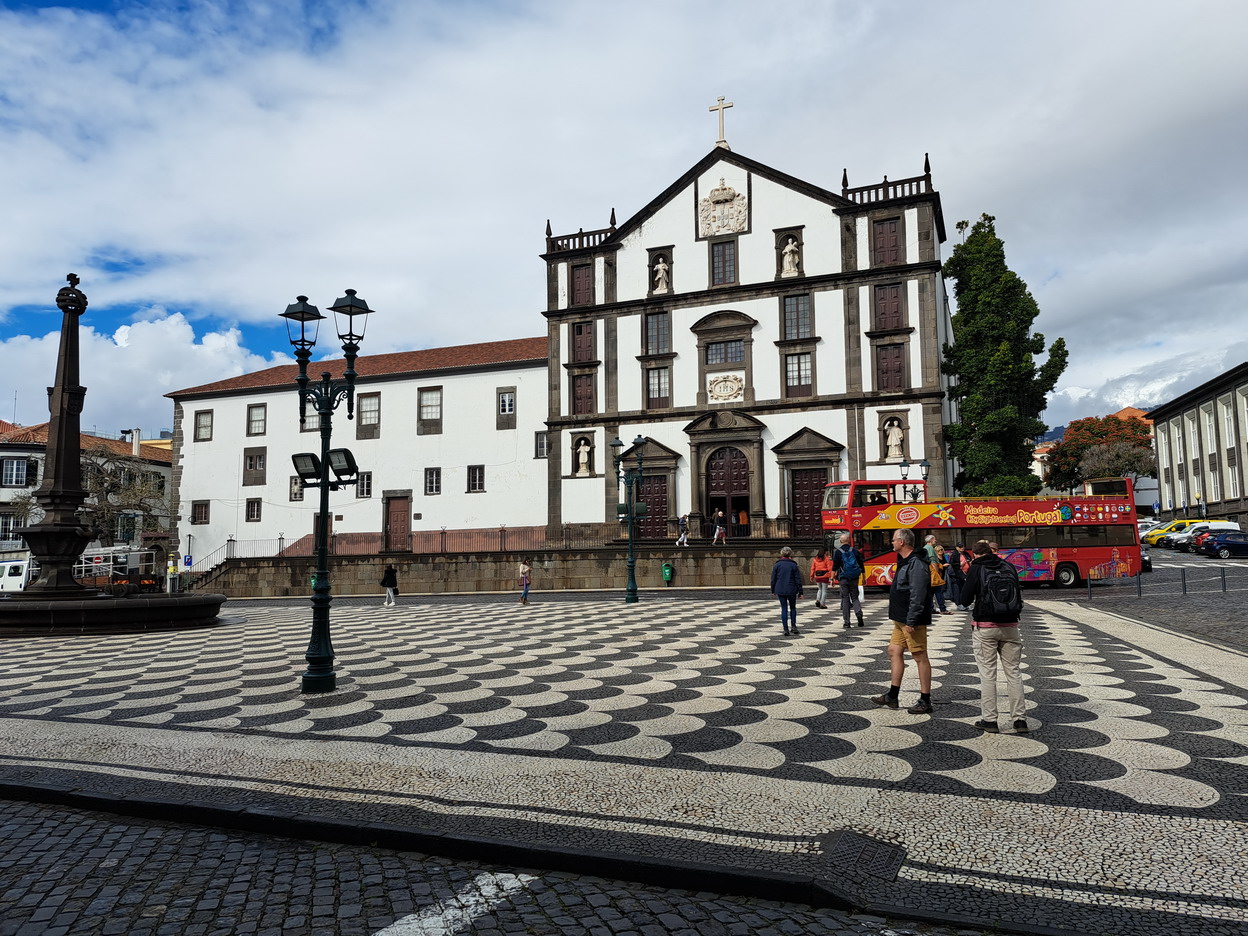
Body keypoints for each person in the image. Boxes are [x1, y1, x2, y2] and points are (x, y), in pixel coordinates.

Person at [959, 540, 1027, 733]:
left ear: (975, 554)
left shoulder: (976, 568)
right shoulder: (1009, 566)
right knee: (1014, 672)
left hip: (985, 626)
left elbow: (964, 599)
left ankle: (990, 720)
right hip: (1011, 625)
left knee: (988, 674)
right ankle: (1020, 720)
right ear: (991, 551)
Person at [872, 528, 933, 715]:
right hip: (900, 618)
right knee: (894, 650)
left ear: (902, 542)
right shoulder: (905, 560)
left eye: (893, 539)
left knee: (919, 656)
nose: (891, 542)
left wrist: (912, 619)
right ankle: (892, 695)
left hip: (910, 619)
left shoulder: (917, 563)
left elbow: (918, 593)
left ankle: (925, 700)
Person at [832, 533, 866, 628]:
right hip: (854, 577)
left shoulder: (838, 552)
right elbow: (861, 565)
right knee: (855, 597)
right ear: (849, 541)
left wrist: (832, 578)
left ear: (841, 541)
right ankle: (858, 613)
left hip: (843, 578)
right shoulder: (855, 551)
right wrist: (864, 577)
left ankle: (847, 622)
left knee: (845, 599)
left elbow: (834, 567)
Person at [770, 546, 804, 636]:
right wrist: (801, 592)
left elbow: (773, 579)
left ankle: (785, 629)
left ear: (781, 554)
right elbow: (798, 579)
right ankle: (794, 626)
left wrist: (773, 589)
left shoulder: (777, 565)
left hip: (780, 589)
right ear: (790, 554)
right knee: (793, 608)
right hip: (792, 589)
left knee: (784, 608)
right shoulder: (793, 565)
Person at [924, 535, 951, 615]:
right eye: (934, 539)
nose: (935, 541)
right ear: (931, 540)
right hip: (933, 573)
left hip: (929, 573)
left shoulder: (925, 548)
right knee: (938, 591)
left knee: (931, 593)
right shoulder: (930, 548)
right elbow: (933, 561)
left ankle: (931, 608)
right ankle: (942, 608)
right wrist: (936, 573)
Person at [946, 541, 969, 611]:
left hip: (966, 573)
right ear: (957, 548)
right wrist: (960, 564)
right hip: (958, 574)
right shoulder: (954, 554)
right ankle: (959, 603)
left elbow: (969, 558)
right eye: (960, 547)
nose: (962, 548)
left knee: (965, 588)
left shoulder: (965, 553)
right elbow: (952, 564)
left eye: (963, 547)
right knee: (959, 589)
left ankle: (965, 603)